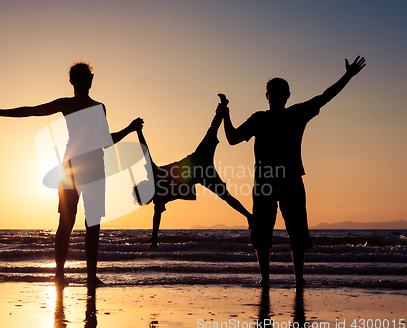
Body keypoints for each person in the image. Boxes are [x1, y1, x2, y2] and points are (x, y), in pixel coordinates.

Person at [0, 61, 143, 287]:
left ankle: (91, 277)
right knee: (66, 222)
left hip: (96, 167)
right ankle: (59, 275)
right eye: (78, 77)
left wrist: (130, 128)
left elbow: (106, 141)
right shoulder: (67, 104)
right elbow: (33, 111)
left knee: (93, 224)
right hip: (70, 168)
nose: (83, 80)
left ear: (91, 80)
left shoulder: (100, 107)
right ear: (72, 81)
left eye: (87, 76)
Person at [218, 56, 366, 285]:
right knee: (263, 233)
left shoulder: (293, 114)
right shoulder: (264, 118)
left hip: (287, 181)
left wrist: (347, 76)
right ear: (268, 96)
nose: (275, 95)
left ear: (286, 95)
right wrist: (225, 115)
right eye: (272, 91)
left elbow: (325, 97)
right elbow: (233, 138)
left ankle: (295, 281)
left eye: (279, 91)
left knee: (294, 232)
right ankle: (270, 281)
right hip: (269, 182)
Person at [133, 95, 253, 249]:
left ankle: (223, 107)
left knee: (212, 132)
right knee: (226, 196)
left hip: (198, 163)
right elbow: (156, 217)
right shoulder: (158, 197)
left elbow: (145, 150)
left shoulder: (154, 179)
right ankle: (249, 216)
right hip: (201, 170)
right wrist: (154, 235)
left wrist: (138, 131)